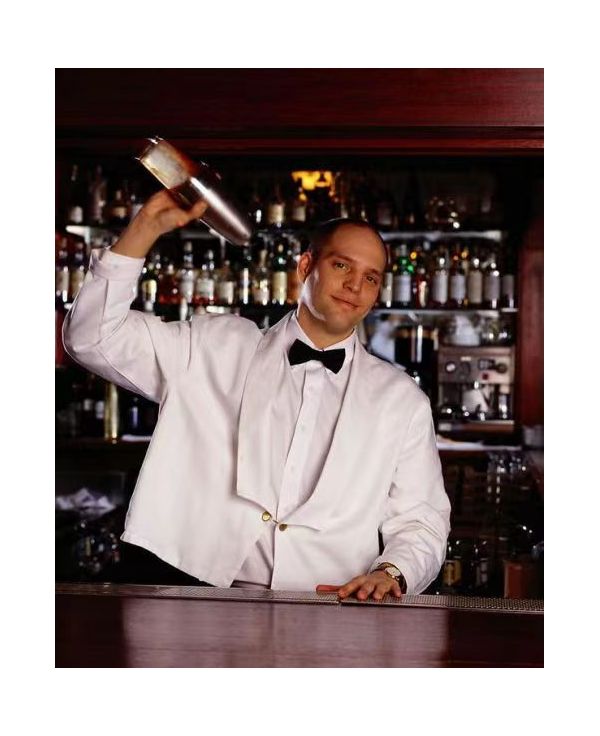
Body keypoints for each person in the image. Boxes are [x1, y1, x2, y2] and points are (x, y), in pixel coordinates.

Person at [63, 190, 450, 600]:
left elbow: (421, 520)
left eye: (370, 277)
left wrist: (393, 572)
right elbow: (92, 338)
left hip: (330, 604)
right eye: (341, 265)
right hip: (190, 593)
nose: (355, 285)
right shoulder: (212, 346)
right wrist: (143, 230)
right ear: (306, 267)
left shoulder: (402, 401)